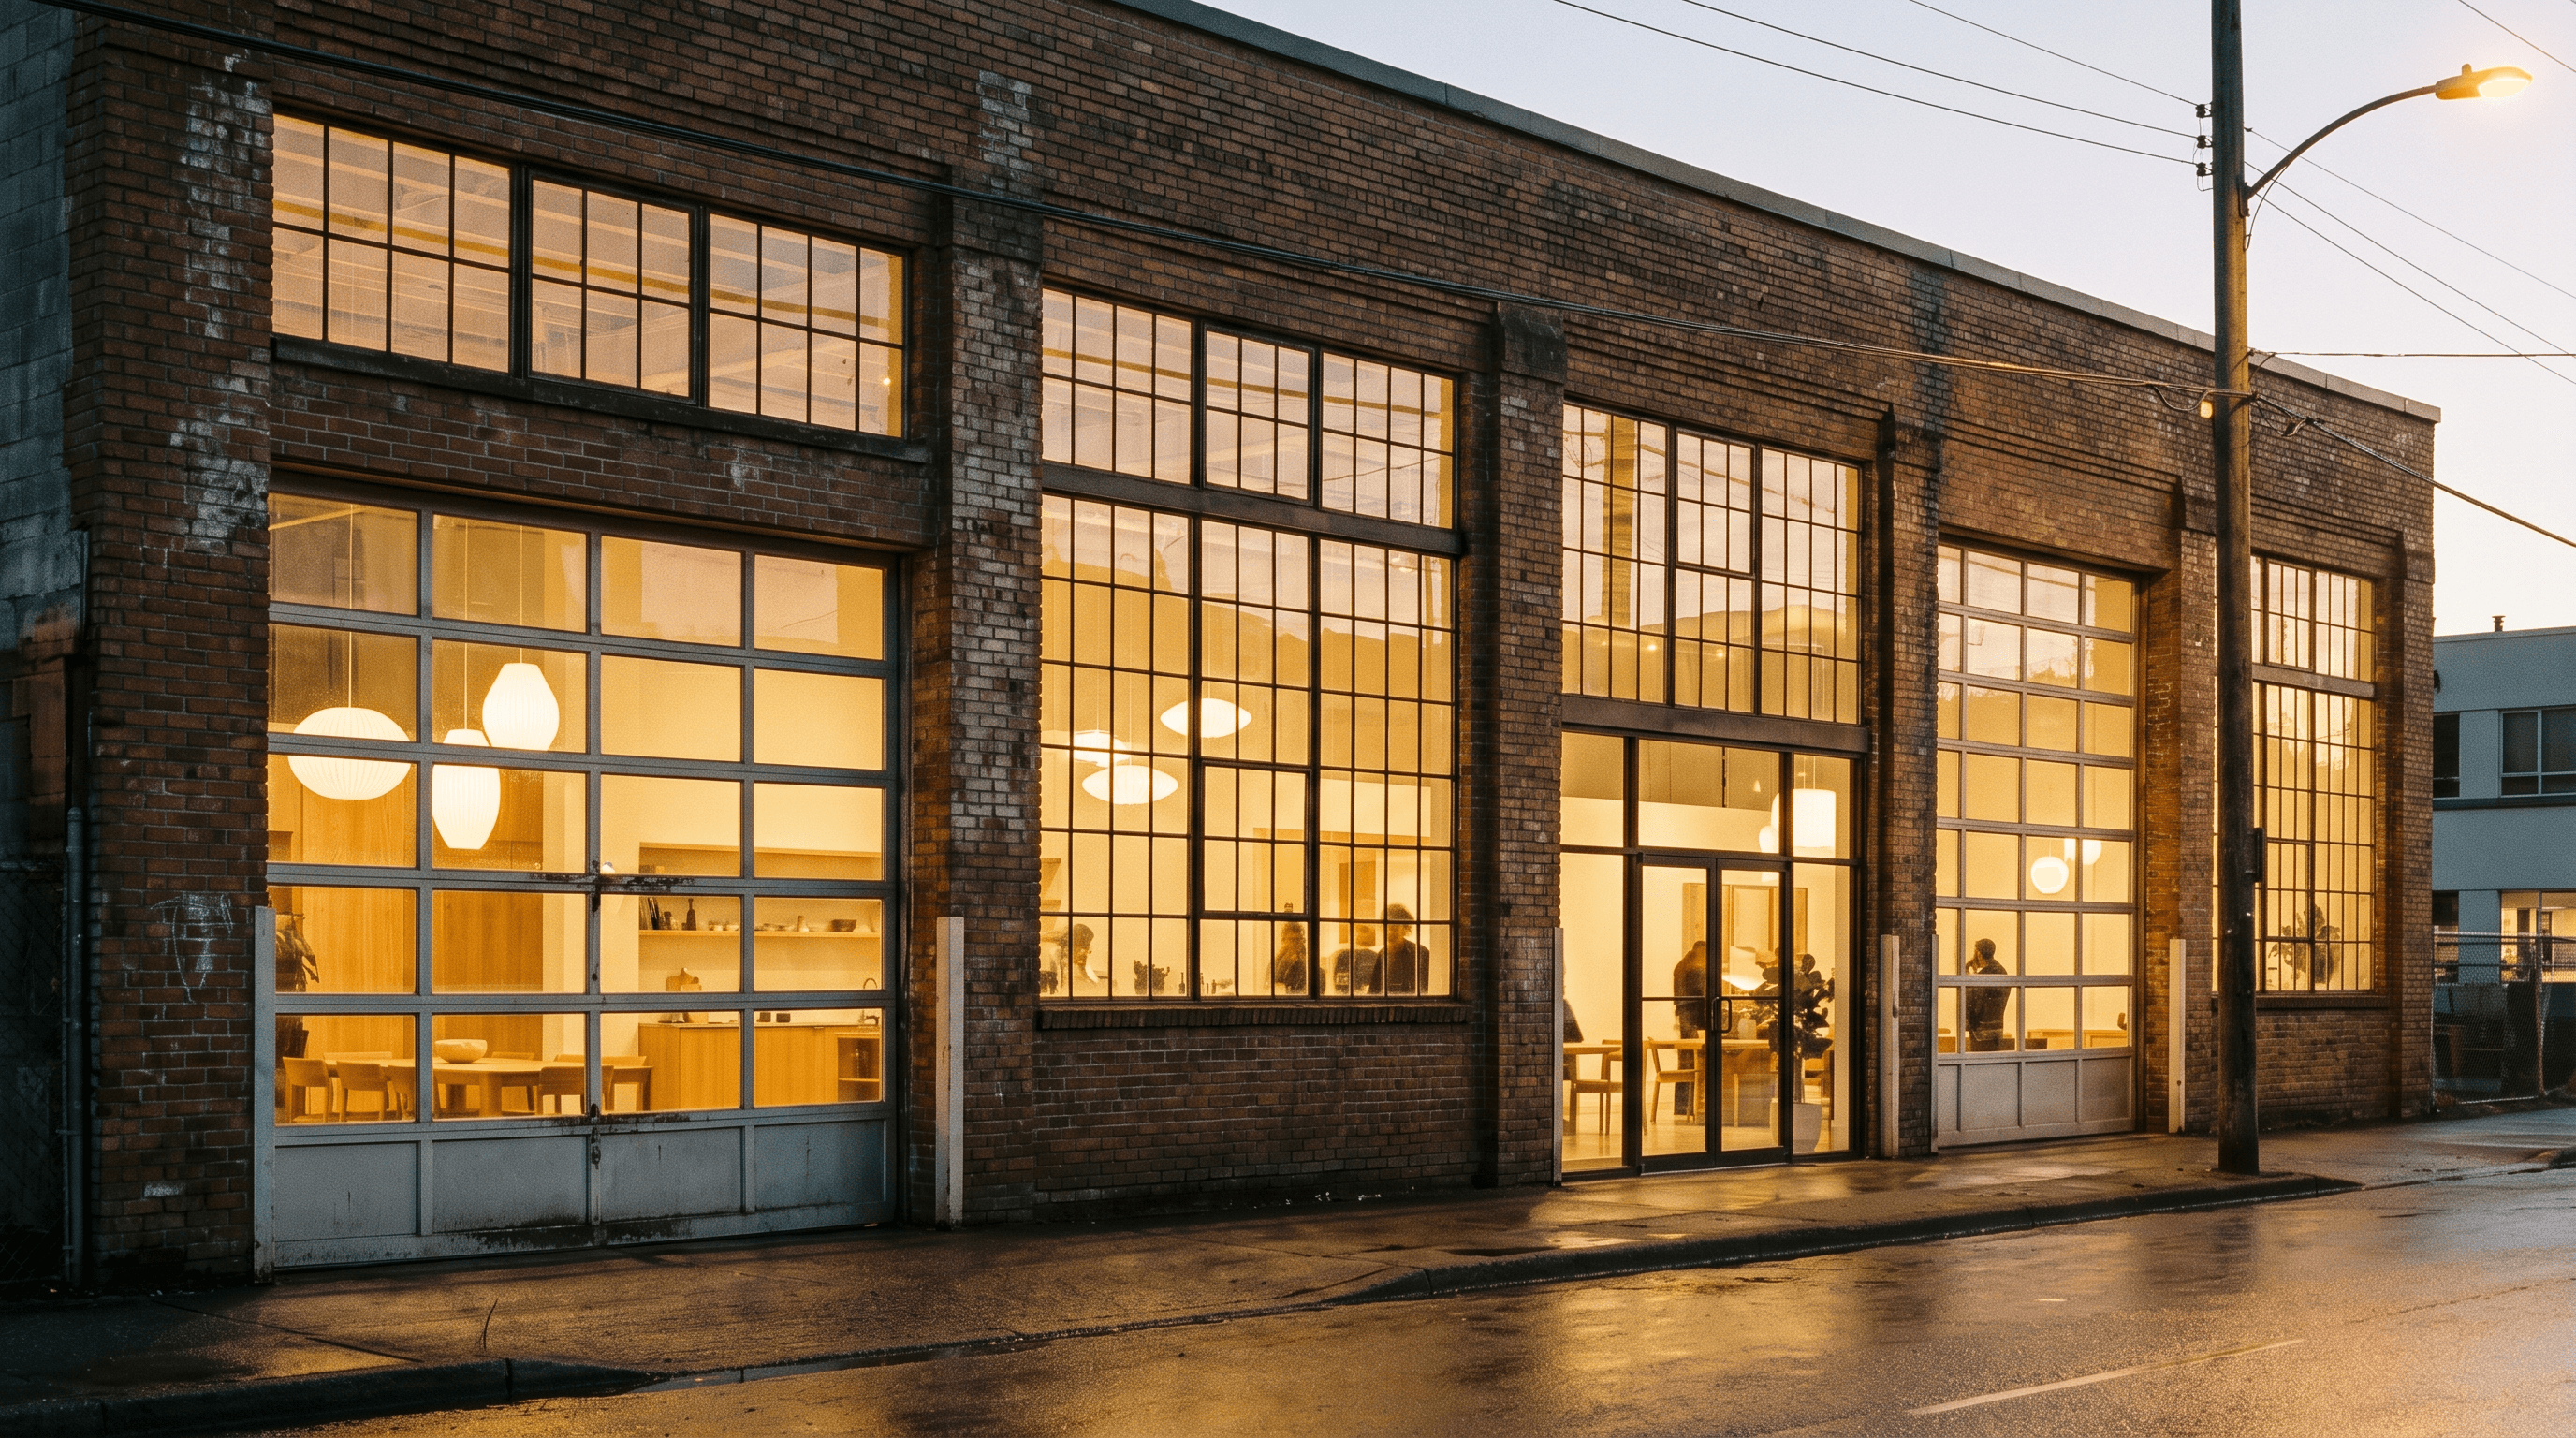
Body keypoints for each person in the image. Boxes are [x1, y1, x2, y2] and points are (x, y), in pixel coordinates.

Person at [1669, 940, 1710, 1118]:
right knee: (1698, 1061)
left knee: (1686, 1062)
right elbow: (1703, 994)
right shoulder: (1696, 969)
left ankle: (1683, 1105)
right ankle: (1695, 1106)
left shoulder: (1682, 965)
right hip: (1694, 1016)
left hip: (1686, 1015)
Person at [1964, 937, 2010, 1051]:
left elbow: (1970, 1002)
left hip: (1980, 1031)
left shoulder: (1982, 975)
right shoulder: (2002, 971)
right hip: (1997, 1028)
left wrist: (1967, 973)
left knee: (1978, 1063)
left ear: (1979, 953)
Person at [1380, 904, 1427, 995]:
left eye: (1394, 928)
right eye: (1386, 927)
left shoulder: (1421, 953)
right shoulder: (1381, 954)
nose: (1389, 932)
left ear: (1405, 928)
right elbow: (1374, 989)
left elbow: (1426, 988)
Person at [1330, 922, 1382, 995]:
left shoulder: (1375, 956)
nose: (1358, 934)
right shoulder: (1344, 956)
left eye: (1364, 931)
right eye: (1362, 931)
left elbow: (1378, 985)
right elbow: (1342, 987)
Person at [1270, 922, 1310, 995]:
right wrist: (1283, 965)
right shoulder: (1275, 963)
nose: (1294, 944)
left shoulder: (1307, 962)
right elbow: (1270, 988)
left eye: (1298, 939)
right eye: (1291, 940)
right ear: (1284, 941)